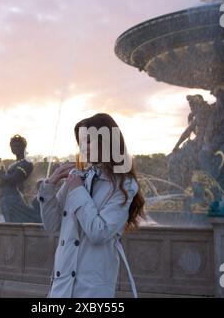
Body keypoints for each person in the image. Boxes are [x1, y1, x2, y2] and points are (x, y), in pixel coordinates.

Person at [37, 113, 145, 298]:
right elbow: (52, 225)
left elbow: (99, 232)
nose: (83, 148)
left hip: (91, 290)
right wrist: (50, 185)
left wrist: (77, 190)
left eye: (88, 141)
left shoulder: (124, 185)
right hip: (61, 288)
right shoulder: (79, 178)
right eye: (81, 142)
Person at [0, 134, 42, 223]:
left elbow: (14, 179)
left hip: (13, 199)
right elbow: (6, 179)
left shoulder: (26, 163)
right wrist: (0, 173)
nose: (14, 148)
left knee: (16, 225)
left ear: (23, 147)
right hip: (6, 198)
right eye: (12, 146)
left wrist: (1, 174)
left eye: (17, 146)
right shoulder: (13, 164)